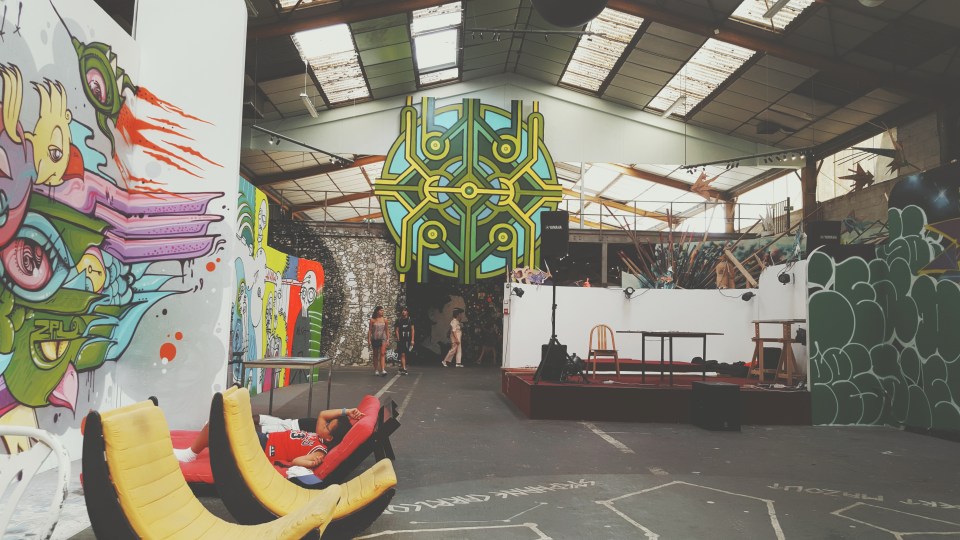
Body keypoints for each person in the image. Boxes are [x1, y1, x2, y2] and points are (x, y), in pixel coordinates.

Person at [174, 407, 365, 472]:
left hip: (261, 447)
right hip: (262, 439)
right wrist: (346, 412)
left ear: (330, 437)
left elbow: (295, 461)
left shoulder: (319, 451)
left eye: (327, 426)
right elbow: (323, 414)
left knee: (216, 425)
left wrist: (311, 462)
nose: (323, 423)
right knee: (220, 423)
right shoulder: (319, 436)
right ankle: (208, 438)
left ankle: (190, 454)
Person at [368, 306, 389, 377]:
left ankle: (383, 369)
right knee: (375, 354)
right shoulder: (372, 320)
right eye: (381, 310)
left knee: (382, 353)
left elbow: (387, 330)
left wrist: (388, 339)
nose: (382, 312)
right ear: (377, 311)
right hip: (375, 338)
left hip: (383, 338)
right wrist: (369, 340)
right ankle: (376, 370)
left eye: (383, 310)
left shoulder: (385, 320)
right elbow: (370, 330)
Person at [394, 307, 414, 375]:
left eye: (405, 311)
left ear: (407, 312)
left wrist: (412, 340)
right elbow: (397, 330)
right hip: (401, 339)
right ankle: (404, 368)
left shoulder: (410, 320)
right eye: (402, 311)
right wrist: (398, 338)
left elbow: (412, 330)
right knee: (402, 354)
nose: (403, 312)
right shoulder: (399, 320)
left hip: (408, 339)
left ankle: (401, 367)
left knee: (406, 354)